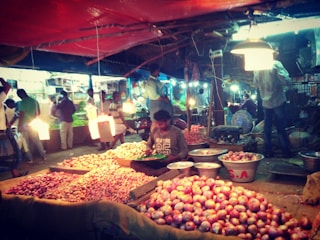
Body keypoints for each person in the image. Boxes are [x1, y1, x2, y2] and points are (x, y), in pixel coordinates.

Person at [253, 57, 294, 158]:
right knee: (281, 127)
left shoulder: (257, 67)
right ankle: (286, 151)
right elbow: (285, 80)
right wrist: (289, 83)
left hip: (266, 102)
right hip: (278, 101)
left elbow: (256, 85)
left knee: (267, 128)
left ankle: (268, 151)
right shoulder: (275, 64)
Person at [131, 109, 188, 176]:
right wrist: (148, 149)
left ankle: (156, 172)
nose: (158, 126)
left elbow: (184, 151)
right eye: (157, 123)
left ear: (168, 121)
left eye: (161, 124)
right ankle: (157, 172)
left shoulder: (177, 132)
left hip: (171, 162)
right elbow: (149, 144)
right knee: (134, 163)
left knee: (174, 168)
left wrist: (175, 157)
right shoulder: (155, 131)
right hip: (158, 160)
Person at [0, 78, 27, 178]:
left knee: (9, 154)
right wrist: (1, 79)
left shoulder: (3, 105)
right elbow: (8, 86)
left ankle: (15, 174)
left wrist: (8, 123)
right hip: (2, 132)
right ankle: (15, 174)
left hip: (4, 130)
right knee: (12, 154)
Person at [15, 88, 47, 163]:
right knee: (37, 141)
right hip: (33, 124)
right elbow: (38, 113)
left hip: (24, 124)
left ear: (20, 95)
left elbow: (21, 114)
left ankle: (30, 159)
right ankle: (44, 156)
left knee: (26, 143)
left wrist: (19, 126)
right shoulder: (34, 101)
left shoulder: (21, 103)